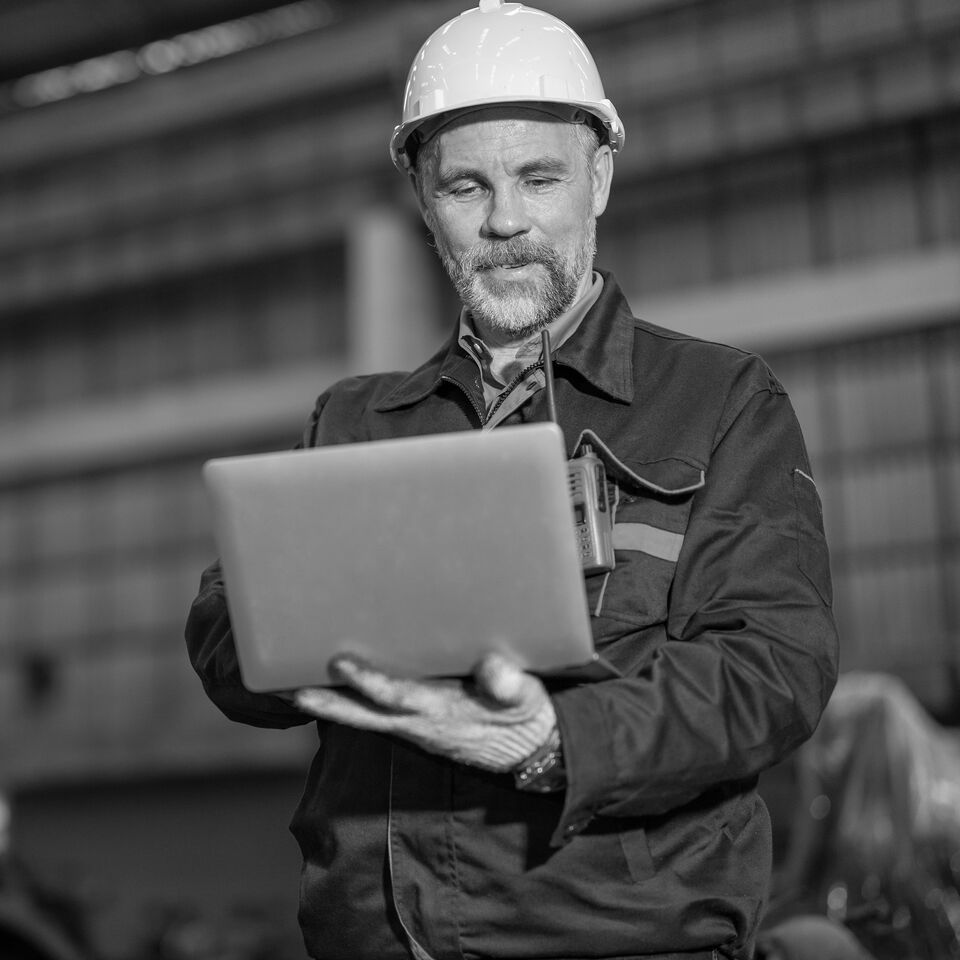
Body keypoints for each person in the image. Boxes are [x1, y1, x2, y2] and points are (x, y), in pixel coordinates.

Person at [185, 2, 839, 958]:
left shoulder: (718, 402)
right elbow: (220, 635)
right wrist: (303, 620)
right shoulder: (356, 424)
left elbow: (773, 668)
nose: (504, 221)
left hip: (616, 940)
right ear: (423, 199)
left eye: (540, 178)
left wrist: (559, 739)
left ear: (598, 178)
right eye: (466, 186)